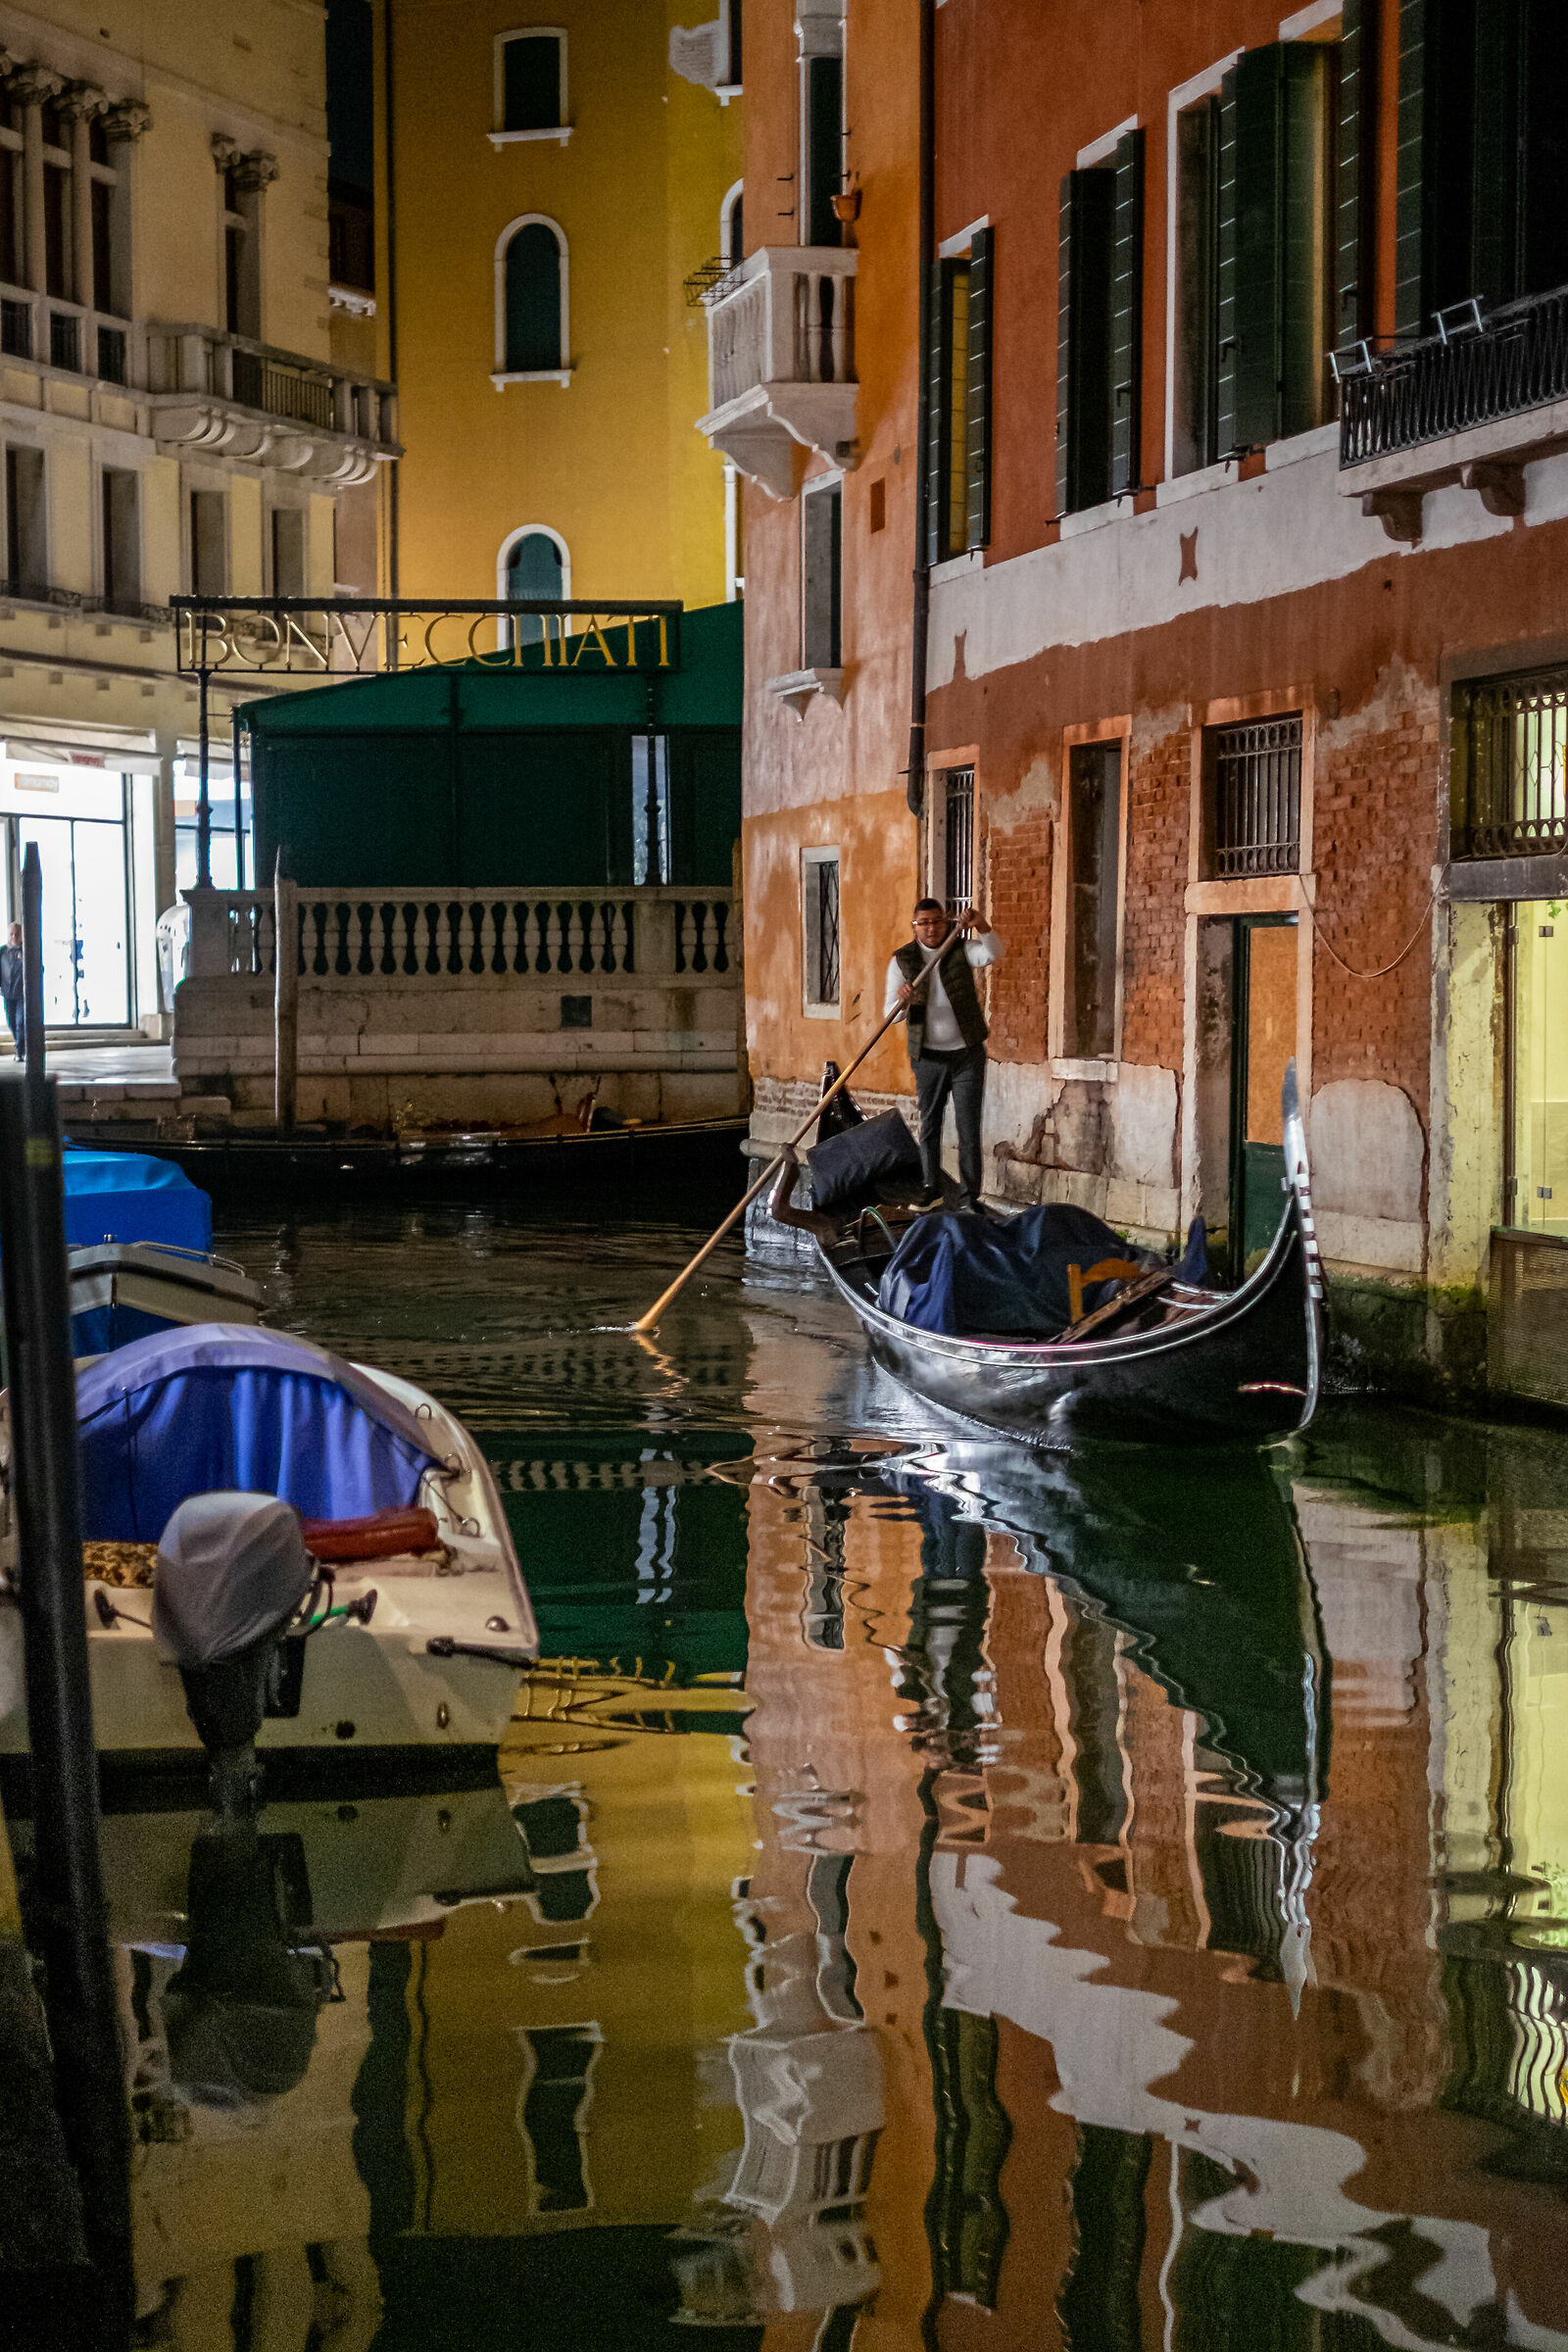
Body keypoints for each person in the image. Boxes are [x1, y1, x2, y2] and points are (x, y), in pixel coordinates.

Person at [885, 899, 1005, 1213]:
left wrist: (981, 923)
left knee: (968, 1127)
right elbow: (890, 1016)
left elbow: (993, 953)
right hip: (927, 1057)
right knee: (930, 1125)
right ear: (915, 927)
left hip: (967, 1054)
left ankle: (969, 1198)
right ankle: (930, 1188)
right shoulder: (902, 961)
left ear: (946, 922)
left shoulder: (961, 949)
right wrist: (904, 1002)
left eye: (936, 921)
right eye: (923, 923)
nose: (931, 928)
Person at [0, 921, 23, 1060]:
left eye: (17, 934)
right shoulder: (2, 951)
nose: (14, 936)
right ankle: (20, 1045)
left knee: (21, 1022)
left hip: (22, 994)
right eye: (12, 934)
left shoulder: (27, 951)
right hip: (7, 993)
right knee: (12, 1022)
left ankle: (20, 1051)